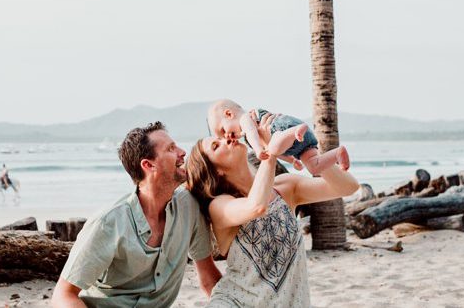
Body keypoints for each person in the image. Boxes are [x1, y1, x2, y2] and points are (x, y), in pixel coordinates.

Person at [186, 113, 359, 307]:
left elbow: (348, 187)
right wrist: (271, 153)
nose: (227, 138)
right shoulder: (220, 205)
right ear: (215, 171)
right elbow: (257, 206)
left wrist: (307, 154)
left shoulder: (286, 187)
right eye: (216, 146)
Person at [51, 122, 222, 307]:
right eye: (171, 149)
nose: (182, 152)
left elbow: (209, 280)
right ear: (148, 165)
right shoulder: (108, 223)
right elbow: (64, 295)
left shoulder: (189, 207)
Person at [207, 98, 349, 175]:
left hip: (284, 128)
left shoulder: (245, 119)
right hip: (298, 143)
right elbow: (277, 151)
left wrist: (257, 150)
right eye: (223, 137)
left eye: (223, 130)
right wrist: (292, 160)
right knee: (313, 167)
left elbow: (252, 133)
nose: (227, 137)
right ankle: (337, 154)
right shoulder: (250, 137)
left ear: (229, 114)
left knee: (272, 148)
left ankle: (296, 131)